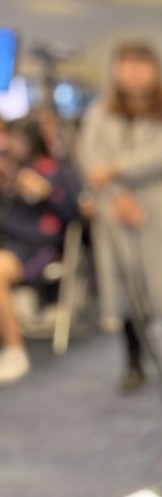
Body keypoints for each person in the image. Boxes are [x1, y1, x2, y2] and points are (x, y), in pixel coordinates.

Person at [78, 42, 162, 392]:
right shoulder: (99, 114)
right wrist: (117, 196)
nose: (133, 72)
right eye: (126, 65)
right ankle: (134, 364)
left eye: (141, 64)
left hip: (160, 211)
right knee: (125, 292)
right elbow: (89, 159)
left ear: (156, 70)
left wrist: (117, 169)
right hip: (115, 212)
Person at [0, 118, 88, 383]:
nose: (12, 145)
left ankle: (15, 351)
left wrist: (48, 193)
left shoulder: (60, 170)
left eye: (17, 139)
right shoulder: (13, 171)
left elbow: (77, 215)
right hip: (10, 243)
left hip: (41, 246)